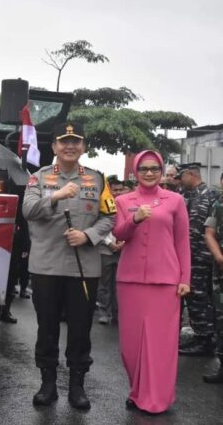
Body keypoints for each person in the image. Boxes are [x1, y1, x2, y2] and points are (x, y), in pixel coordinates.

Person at [22, 122, 116, 410]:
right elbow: (28, 210)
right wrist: (55, 197)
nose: (70, 146)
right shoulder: (38, 178)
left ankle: (77, 386)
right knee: (47, 327)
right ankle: (47, 384)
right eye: (64, 142)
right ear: (54, 147)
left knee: (80, 329)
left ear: (83, 147)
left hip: (83, 269)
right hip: (46, 267)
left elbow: (109, 217)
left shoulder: (98, 179)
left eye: (76, 141)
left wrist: (87, 236)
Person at [113, 150, 190, 414]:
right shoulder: (124, 200)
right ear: (135, 172)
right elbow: (119, 232)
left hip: (166, 282)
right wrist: (134, 219)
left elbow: (182, 241)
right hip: (130, 280)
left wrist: (185, 278)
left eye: (154, 169)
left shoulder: (175, 200)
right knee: (131, 346)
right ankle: (137, 391)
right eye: (143, 169)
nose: (149, 173)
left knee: (160, 345)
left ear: (161, 172)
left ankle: (157, 398)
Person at [177, 163, 217, 355]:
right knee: (194, 297)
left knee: (199, 297)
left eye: (181, 176)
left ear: (191, 174)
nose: (179, 180)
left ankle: (206, 340)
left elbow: (205, 230)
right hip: (189, 257)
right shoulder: (189, 196)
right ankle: (202, 335)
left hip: (201, 257)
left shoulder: (209, 196)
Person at [97, 176, 126, 325]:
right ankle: (104, 312)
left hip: (122, 251)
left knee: (118, 284)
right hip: (105, 250)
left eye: (121, 189)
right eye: (115, 190)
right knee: (104, 284)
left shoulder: (127, 205)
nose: (118, 192)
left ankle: (117, 314)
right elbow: (98, 227)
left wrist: (122, 242)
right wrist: (109, 243)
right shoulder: (103, 204)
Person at [203, 189, 223, 383]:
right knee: (220, 320)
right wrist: (219, 257)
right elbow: (209, 233)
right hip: (221, 272)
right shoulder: (219, 205)